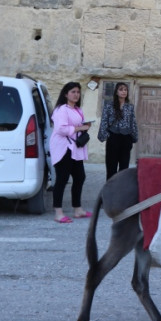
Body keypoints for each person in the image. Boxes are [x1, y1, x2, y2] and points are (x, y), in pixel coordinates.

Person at [49, 81, 92, 224]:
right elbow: (61, 129)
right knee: (62, 179)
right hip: (63, 148)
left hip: (75, 148)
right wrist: (79, 128)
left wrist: (85, 126)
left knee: (80, 177)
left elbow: (75, 127)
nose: (76, 94)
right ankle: (58, 213)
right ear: (66, 94)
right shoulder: (61, 109)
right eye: (73, 92)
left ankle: (78, 209)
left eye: (78, 92)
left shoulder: (77, 110)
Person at [97, 82, 138, 181]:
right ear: (116, 92)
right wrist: (107, 136)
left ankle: (121, 192)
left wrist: (134, 137)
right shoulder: (109, 106)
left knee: (124, 169)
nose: (123, 92)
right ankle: (110, 192)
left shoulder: (130, 107)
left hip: (126, 139)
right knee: (111, 168)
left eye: (125, 90)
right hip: (113, 138)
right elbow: (104, 121)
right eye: (121, 89)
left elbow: (133, 122)